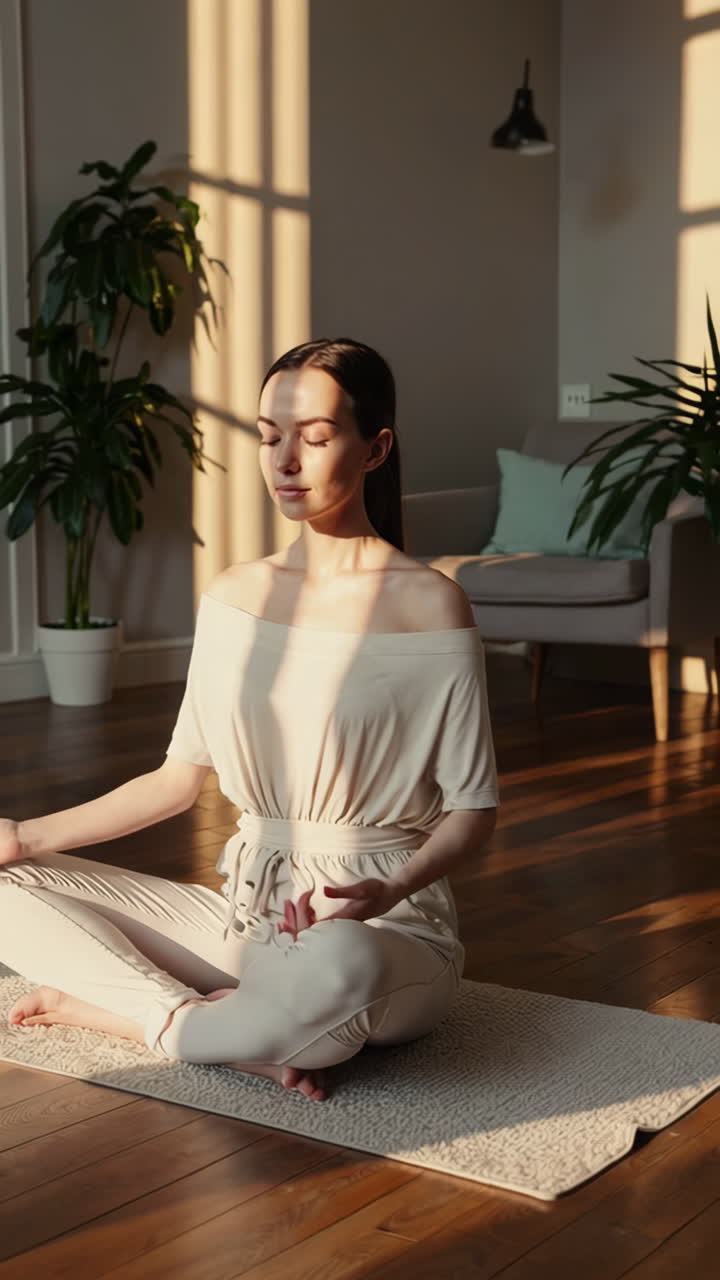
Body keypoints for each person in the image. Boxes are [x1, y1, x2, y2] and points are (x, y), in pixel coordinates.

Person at [0, 337, 499, 1103]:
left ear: (376, 449)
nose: (285, 460)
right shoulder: (236, 596)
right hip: (246, 923)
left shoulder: (431, 604)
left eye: (317, 437)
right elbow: (176, 782)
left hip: (383, 935)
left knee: (340, 969)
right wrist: (24, 838)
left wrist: (389, 888)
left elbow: (472, 814)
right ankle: (205, 1025)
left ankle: (145, 1020)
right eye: (269, 436)